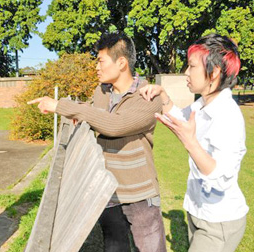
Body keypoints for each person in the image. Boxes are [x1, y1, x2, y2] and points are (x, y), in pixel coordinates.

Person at [28, 33, 166, 252]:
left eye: (101, 61)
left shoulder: (147, 97)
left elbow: (114, 125)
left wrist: (62, 107)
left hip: (139, 195)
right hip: (107, 190)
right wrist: (80, 112)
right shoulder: (100, 92)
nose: (96, 67)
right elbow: (93, 111)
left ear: (121, 62)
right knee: (114, 247)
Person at [140, 34, 248, 252]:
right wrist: (162, 95)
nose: (186, 73)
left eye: (191, 66)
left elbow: (220, 178)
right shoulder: (203, 104)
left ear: (214, 72)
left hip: (219, 222)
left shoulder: (227, 115)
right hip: (198, 212)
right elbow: (181, 118)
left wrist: (190, 143)